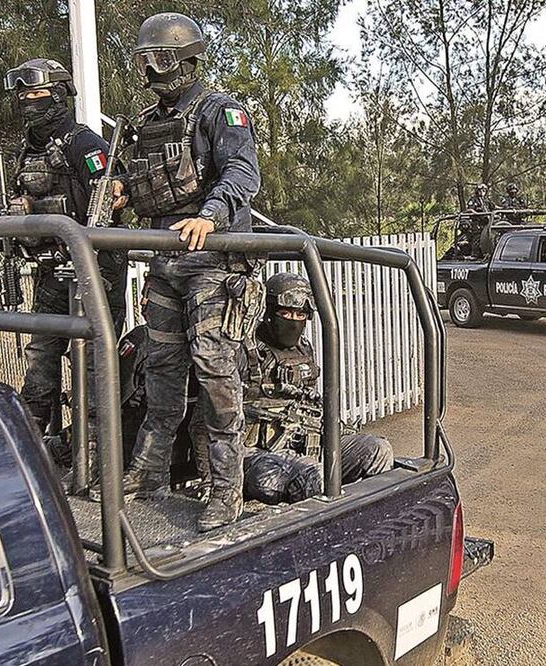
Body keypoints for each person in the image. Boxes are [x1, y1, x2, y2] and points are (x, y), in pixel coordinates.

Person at [115, 12, 262, 532]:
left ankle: (227, 490)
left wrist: (211, 215)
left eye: (159, 58)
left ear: (184, 59)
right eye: (144, 59)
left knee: (216, 373)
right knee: (160, 372)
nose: (150, 69)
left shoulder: (220, 112)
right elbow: (149, 185)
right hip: (165, 264)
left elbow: (243, 172)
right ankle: (148, 472)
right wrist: (123, 193)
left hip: (212, 265)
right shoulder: (145, 122)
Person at [3, 58, 128, 438]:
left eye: (38, 94)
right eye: (24, 96)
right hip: (49, 271)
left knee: (93, 364)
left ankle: (94, 447)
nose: (30, 103)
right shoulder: (26, 153)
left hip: (95, 272)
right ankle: (34, 437)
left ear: (58, 96)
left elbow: (112, 198)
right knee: (40, 357)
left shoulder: (84, 144)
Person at [230, 273, 394, 504]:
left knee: (378, 450)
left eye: (300, 315)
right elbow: (214, 416)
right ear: (268, 312)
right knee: (312, 475)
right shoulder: (245, 351)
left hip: (305, 442)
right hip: (256, 454)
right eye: (285, 313)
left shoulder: (303, 349)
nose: (294, 320)